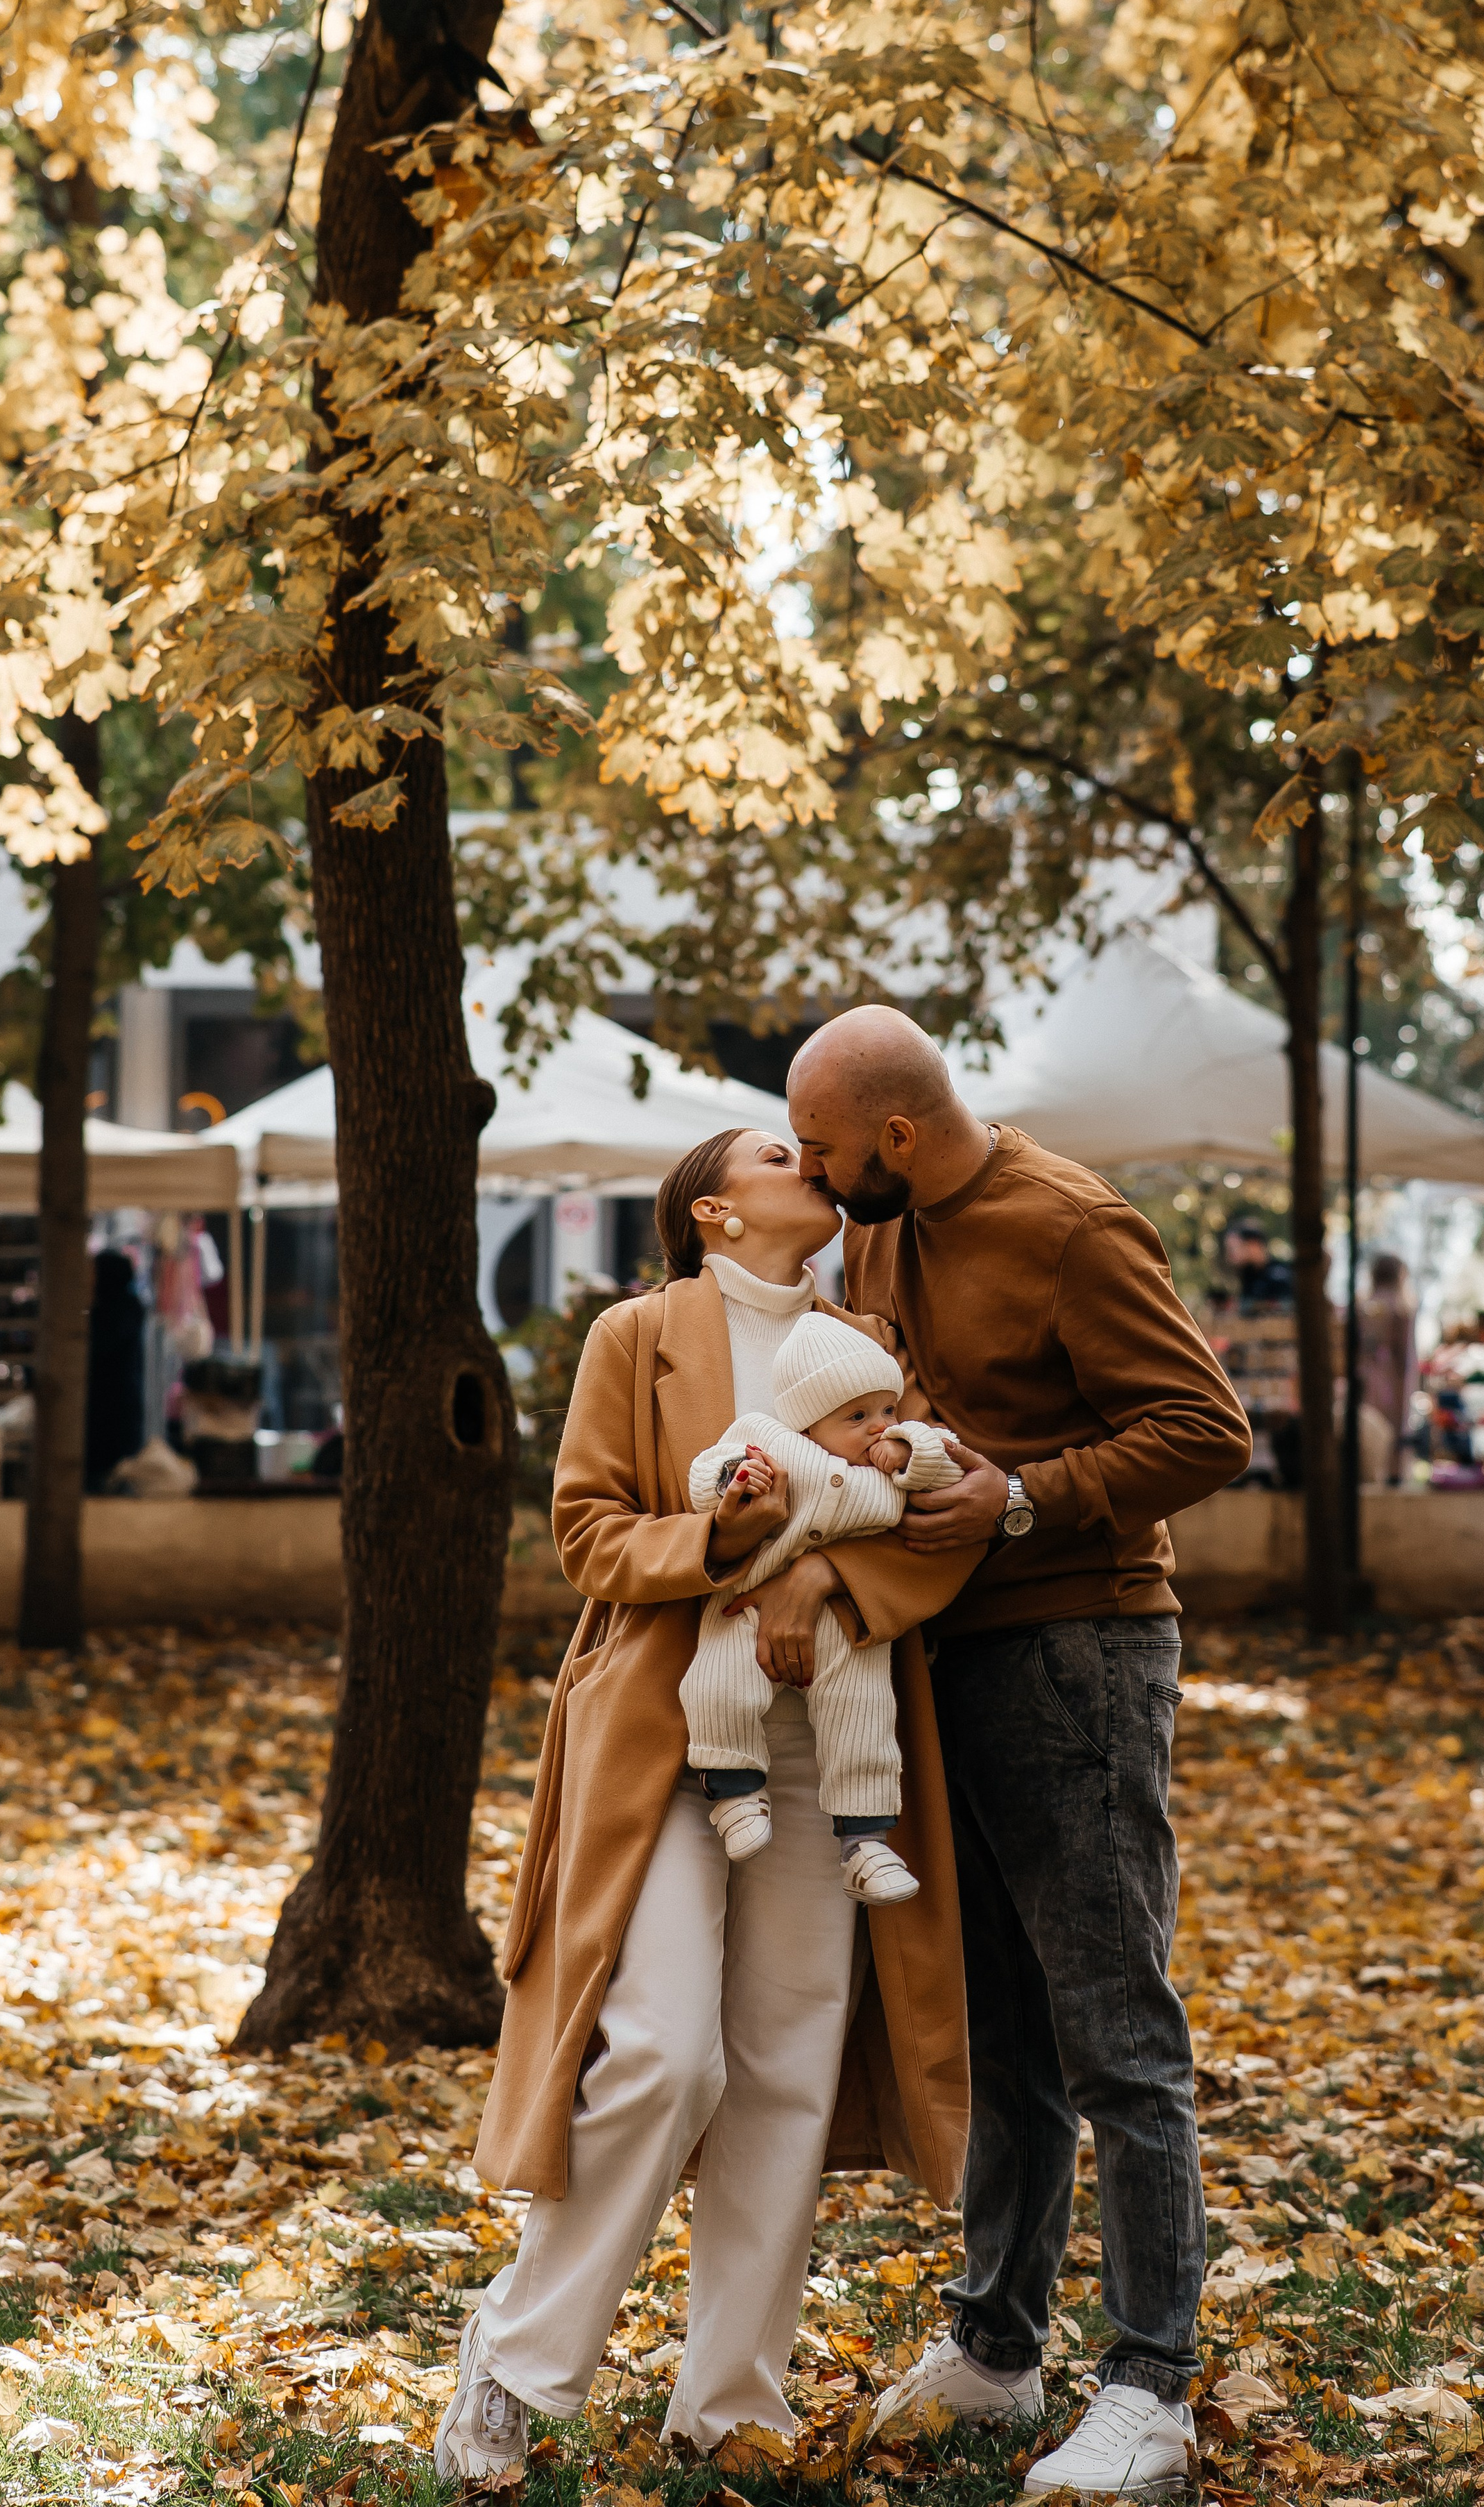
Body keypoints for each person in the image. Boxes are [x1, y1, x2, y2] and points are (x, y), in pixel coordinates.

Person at [438, 1128, 982, 2479]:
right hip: (666, 1741)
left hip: (830, 1752)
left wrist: (826, 1583)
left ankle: (730, 2399)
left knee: (787, 2070)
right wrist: (728, 1541)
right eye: (776, 1151)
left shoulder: (866, 1338)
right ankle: (513, 2354)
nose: (811, 1161)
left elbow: (920, 1524)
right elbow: (586, 1533)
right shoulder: (637, 1337)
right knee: (667, 2056)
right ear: (711, 1210)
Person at [787, 1010, 1253, 2504]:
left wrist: (1021, 1501)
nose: (812, 1172)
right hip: (936, 1659)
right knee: (995, 2030)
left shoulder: (1071, 1227)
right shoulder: (882, 1230)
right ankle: (997, 2347)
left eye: (824, 1147)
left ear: (899, 1135)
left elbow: (1204, 1428)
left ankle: (1151, 2390)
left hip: (1080, 1657)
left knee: (1114, 2029)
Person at [683, 1307, 961, 1903]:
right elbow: (705, 1472)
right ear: (809, 1423)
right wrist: (739, 1475)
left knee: (863, 1714)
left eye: (887, 1409)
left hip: (843, 1620)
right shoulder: (773, 1439)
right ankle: (734, 1791)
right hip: (748, 1606)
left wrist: (911, 1450)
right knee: (719, 1684)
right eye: (856, 1417)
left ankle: (865, 1843)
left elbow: (947, 1459)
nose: (877, 1427)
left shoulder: (889, 1469)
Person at [85, 1248, 146, 1490]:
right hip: (115, 1412)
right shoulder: (126, 1309)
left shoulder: (119, 1312)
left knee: (109, 1480)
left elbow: (98, 1350)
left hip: (113, 1414)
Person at [1358, 1252, 1416, 1482]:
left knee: (1370, 1432)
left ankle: (1371, 1474)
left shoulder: (1364, 1306)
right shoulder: (1401, 1308)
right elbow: (1405, 1354)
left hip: (1365, 1378)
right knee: (1393, 1435)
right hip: (1391, 1380)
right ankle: (1393, 1476)